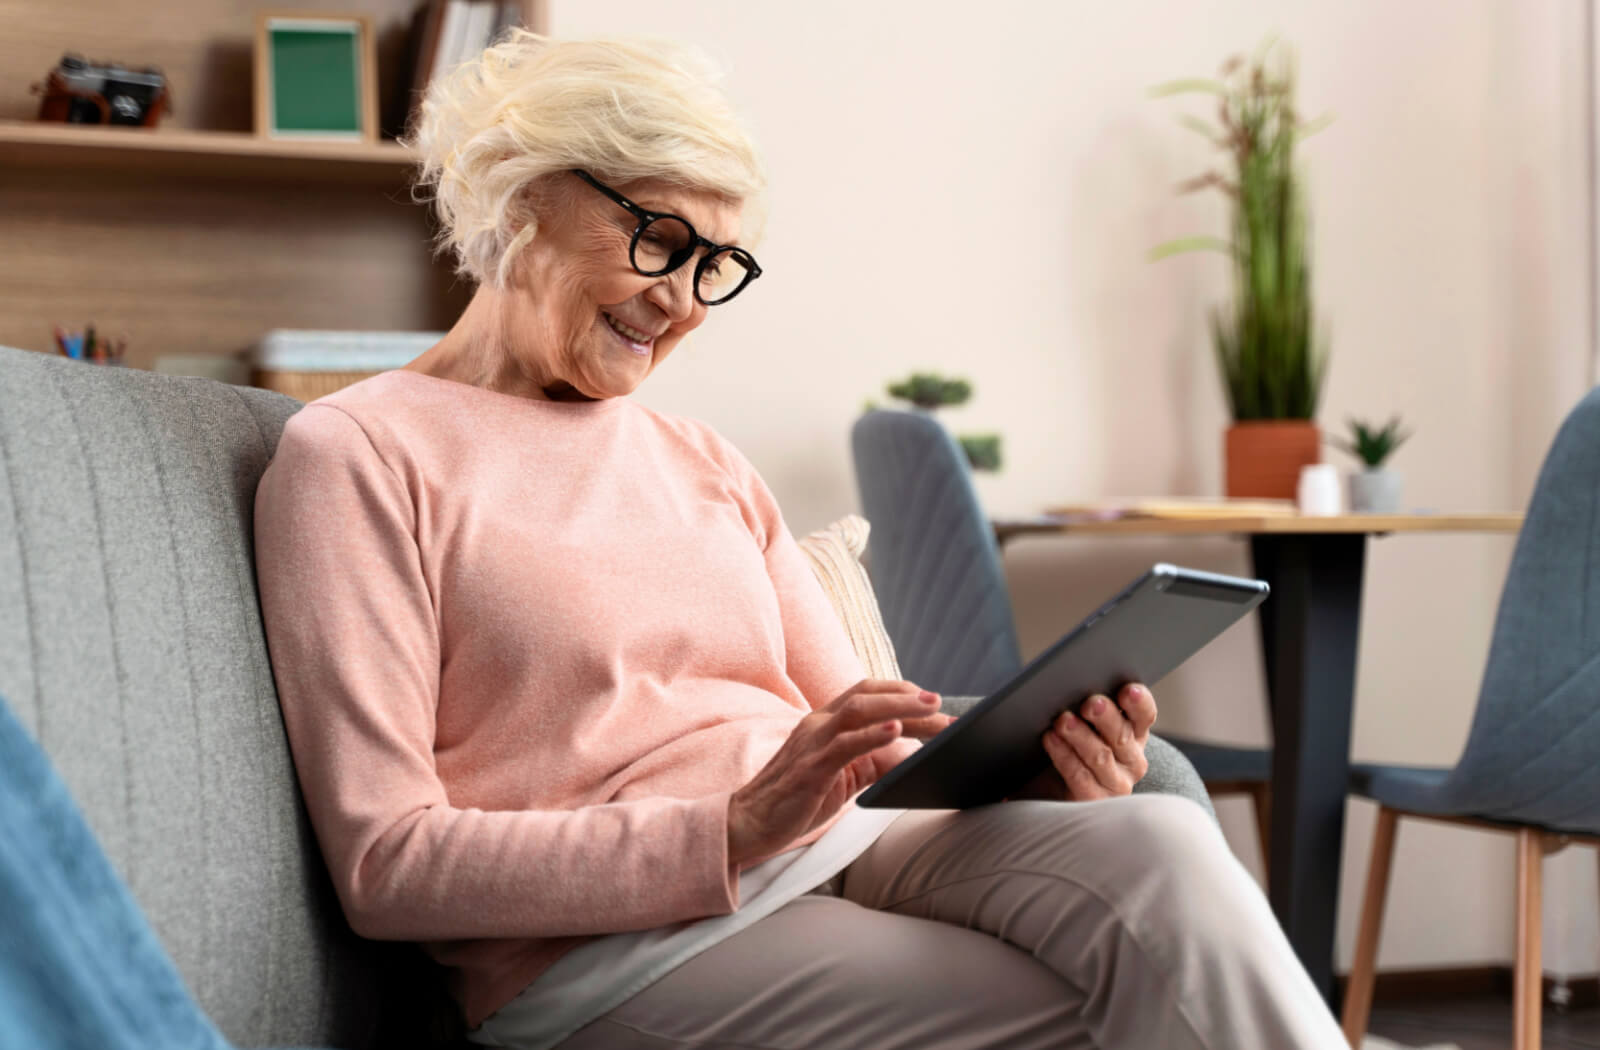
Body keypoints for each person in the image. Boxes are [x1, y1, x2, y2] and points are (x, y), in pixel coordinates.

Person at [250, 31, 1347, 1050]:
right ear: (528, 197)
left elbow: (881, 760)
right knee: (1111, 1002)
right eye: (659, 241)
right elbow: (387, 863)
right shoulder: (359, 457)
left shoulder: (704, 460)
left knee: (1156, 843)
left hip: (848, 849)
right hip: (618, 949)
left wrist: (1045, 773)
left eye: (715, 266)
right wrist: (731, 825)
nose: (682, 303)